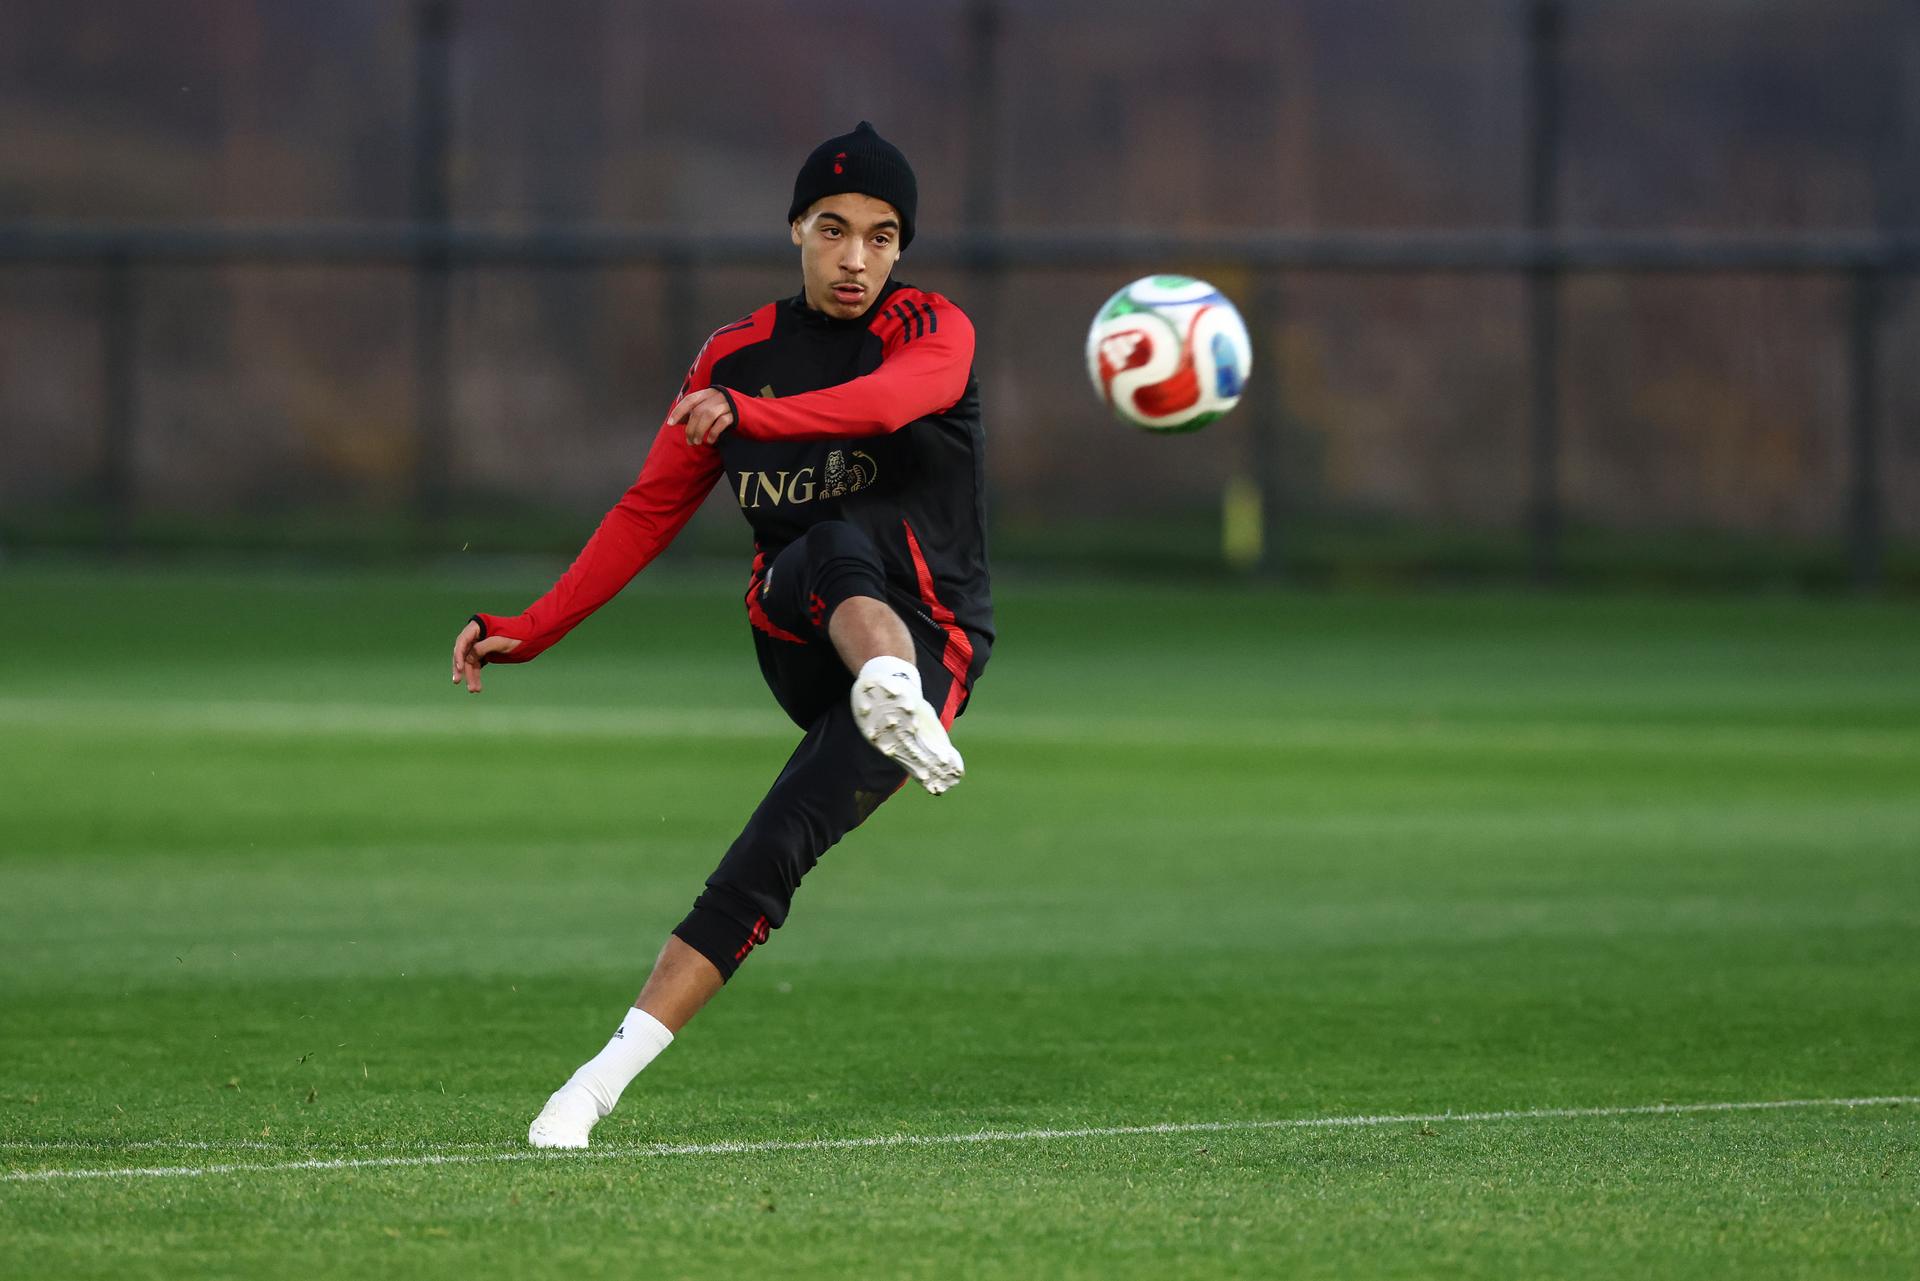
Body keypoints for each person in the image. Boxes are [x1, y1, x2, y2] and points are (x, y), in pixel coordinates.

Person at [448, 122, 992, 1150]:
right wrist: (536, 628)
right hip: (798, 621)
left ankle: (589, 1091)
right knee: (828, 545)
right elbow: (649, 509)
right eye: (833, 231)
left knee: (768, 856)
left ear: (902, 250)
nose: (856, 258)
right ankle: (882, 680)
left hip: (939, 646)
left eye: (882, 237)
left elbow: (889, 404)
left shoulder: (934, 330)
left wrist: (752, 420)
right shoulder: (738, 354)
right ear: (795, 228)